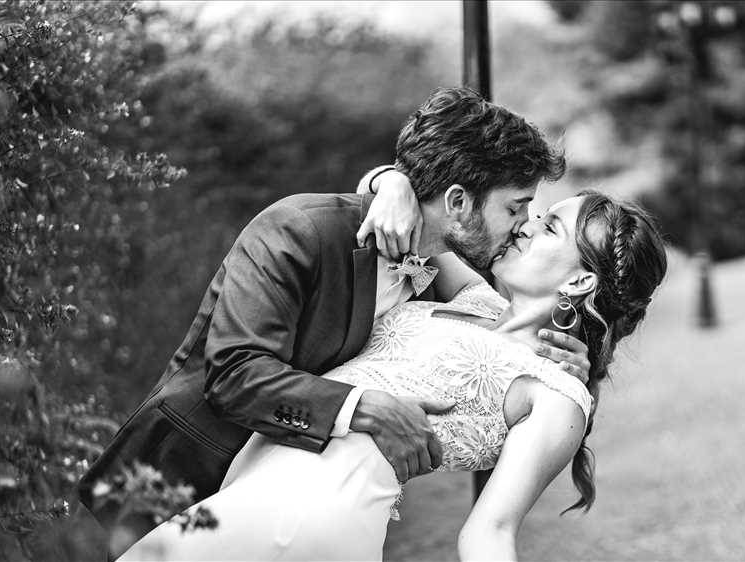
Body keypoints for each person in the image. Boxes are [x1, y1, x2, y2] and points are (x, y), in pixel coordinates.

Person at [78, 87, 586, 557]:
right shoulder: (298, 231)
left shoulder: (440, 273)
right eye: (515, 208)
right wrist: (365, 407)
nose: (522, 226)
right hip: (191, 474)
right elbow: (233, 375)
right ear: (457, 202)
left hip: (318, 505)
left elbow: (518, 355)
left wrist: (571, 355)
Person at [119, 189, 667, 561]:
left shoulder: (558, 393)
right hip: (255, 483)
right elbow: (417, 211)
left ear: (579, 283)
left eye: (549, 227)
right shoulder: (473, 299)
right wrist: (391, 178)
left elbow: (491, 530)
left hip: (318, 509)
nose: (526, 224)